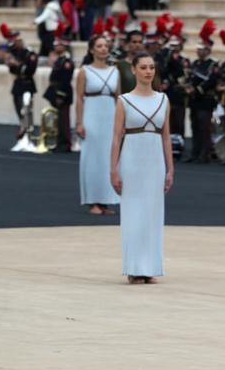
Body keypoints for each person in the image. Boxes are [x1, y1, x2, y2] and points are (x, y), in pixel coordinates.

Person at [110, 52, 174, 284]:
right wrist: (113, 170)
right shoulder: (124, 101)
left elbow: (166, 137)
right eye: (143, 67)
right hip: (131, 160)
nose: (148, 71)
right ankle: (134, 268)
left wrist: (170, 169)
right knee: (133, 213)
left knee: (153, 214)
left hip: (155, 160)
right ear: (134, 70)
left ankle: (150, 267)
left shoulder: (163, 99)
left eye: (151, 67)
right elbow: (116, 137)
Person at [76, 35, 121, 215]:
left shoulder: (115, 71)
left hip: (109, 115)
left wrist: (121, 122)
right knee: (92, 158)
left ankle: (106, 200)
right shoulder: (84, 71)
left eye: (105, 46)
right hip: (91, 115)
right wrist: (79, 122)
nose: (103, 49)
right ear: (92, 50)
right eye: (99, 46)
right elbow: (79, 99)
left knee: (108, 158)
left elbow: (119, 98)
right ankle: (93, 200)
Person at [184, 29, 219, 163]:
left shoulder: (213, 64)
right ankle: (195, 152)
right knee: (195, 127)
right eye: (198, 49)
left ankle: (205, 153)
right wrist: (188, 87)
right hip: (194, 100)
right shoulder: (195, 63)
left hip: (205, 100)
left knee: (205, 128)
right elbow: (191, 78)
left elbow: (212, 80)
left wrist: (197, 89)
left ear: (208, 50)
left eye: (202, 49)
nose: (199, 51)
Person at [43, 31, 75, 152]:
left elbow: (65, 80)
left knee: (64, 120)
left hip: (63, 93)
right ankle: (59, 142)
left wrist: (60, 96)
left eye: (58, 44)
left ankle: (66, 143)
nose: (55, 46)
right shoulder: (60, 60)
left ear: (64, 46)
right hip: (56, 90)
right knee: (59, 120)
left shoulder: (66, 62)